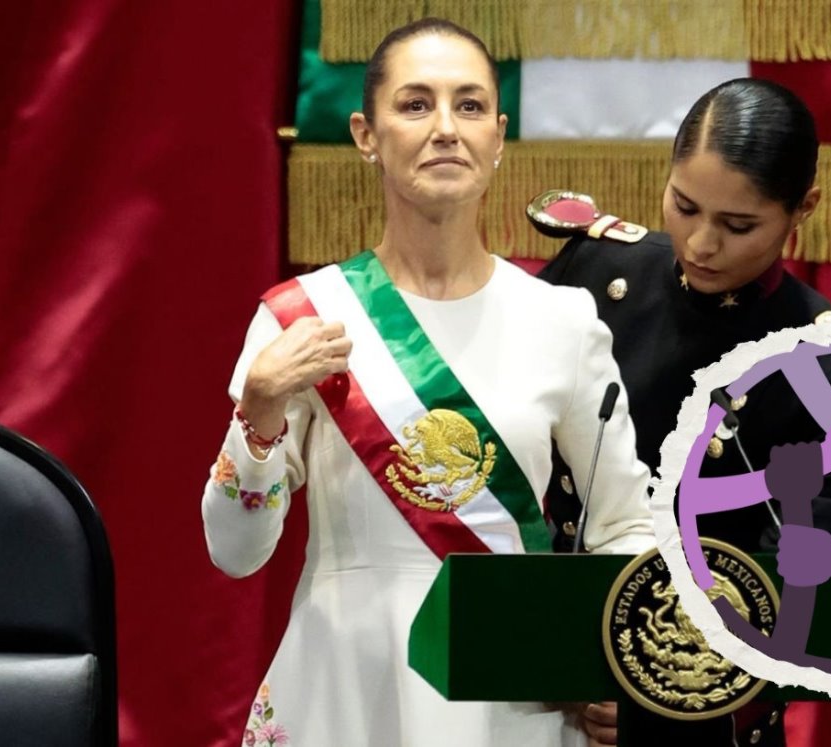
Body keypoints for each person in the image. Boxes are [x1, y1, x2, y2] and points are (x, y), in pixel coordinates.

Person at [201, 18, 654, 747]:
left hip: (513, 696)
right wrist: (258, 411)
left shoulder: (564, 321)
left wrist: (613, 665)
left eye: (469, 105)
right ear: (365, 134)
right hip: (347, 683)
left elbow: (627, 525)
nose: (446, 127)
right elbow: (236, 550)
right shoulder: (303, 319)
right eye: (415, 105)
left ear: (500, 137)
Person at [537, 78, 831, 746]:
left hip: (705, 708)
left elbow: (810, 579)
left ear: (802, 207)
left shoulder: (822, 364)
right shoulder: (593, 273)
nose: (699, 244)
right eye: (684, 205)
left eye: (737, 225)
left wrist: (654, 684)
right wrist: (562, 657)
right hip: (547, 676)